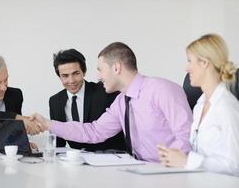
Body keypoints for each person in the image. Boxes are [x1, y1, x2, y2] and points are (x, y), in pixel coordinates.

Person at [32, 42, 193, 162]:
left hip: (169, 173)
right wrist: (48, 124)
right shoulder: (122, 101)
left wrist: (168, 164)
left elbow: (187, 137)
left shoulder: (162, 90)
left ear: (116, 68)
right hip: (140, 170)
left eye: (100, 70)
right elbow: (94, 131)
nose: (99, 77)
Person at [157, 34, 239, 175]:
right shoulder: (199, 106)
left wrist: (187, 161)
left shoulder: (226, 107)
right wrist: (176, 157)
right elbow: (201, 155)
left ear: (205, 63)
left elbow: (235, 165)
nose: (187, 68)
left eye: (190, 61)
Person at [49, 49, 125, 151]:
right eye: (65, 76)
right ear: (59, 76)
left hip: (109, 158)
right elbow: (58, 143)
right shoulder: (55, 101)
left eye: (76, 73)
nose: (71, 80)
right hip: (76, 161)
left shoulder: (105, 91)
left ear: (84, 72)